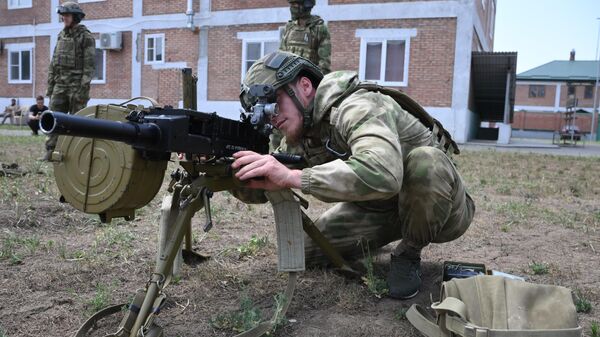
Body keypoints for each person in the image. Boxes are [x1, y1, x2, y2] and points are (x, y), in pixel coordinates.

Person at [234, 51, 475, 299]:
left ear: (304, 86)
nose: (272, 117)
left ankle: (409, 252)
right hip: (379, 208)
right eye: (264, 109)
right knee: (305, 251)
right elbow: (263, 186)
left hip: (441, 208)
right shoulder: (303, 131)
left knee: (427, 161)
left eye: (275, 101)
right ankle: (381, 237)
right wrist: (225, 168)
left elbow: (384, 174)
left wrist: (295, 178)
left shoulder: (357, 106)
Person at [273, 0, 331, 151]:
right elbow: (281, 56)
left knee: (304, 129)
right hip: (286, 84)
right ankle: (274, 157)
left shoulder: (319, 29)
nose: (292, 8)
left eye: (296, 4)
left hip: (306, 89)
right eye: (291, 4)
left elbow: (324, 63)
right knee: (277, 126)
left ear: (306, 6)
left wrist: (317, 93)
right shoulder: (288, 28)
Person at [42, 1, 95, 160]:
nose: (63, 18)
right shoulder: (61, 35)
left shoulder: (85, 37)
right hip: (60, 85)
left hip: (76, 87)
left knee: (77, 122)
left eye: (67, 15)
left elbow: (89, 66)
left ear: (76, 17)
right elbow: (54, 62)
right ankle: (50, 151)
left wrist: (82, 89)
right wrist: (50, 86)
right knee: (53, 118)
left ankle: (75, 154)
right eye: (62, 15)